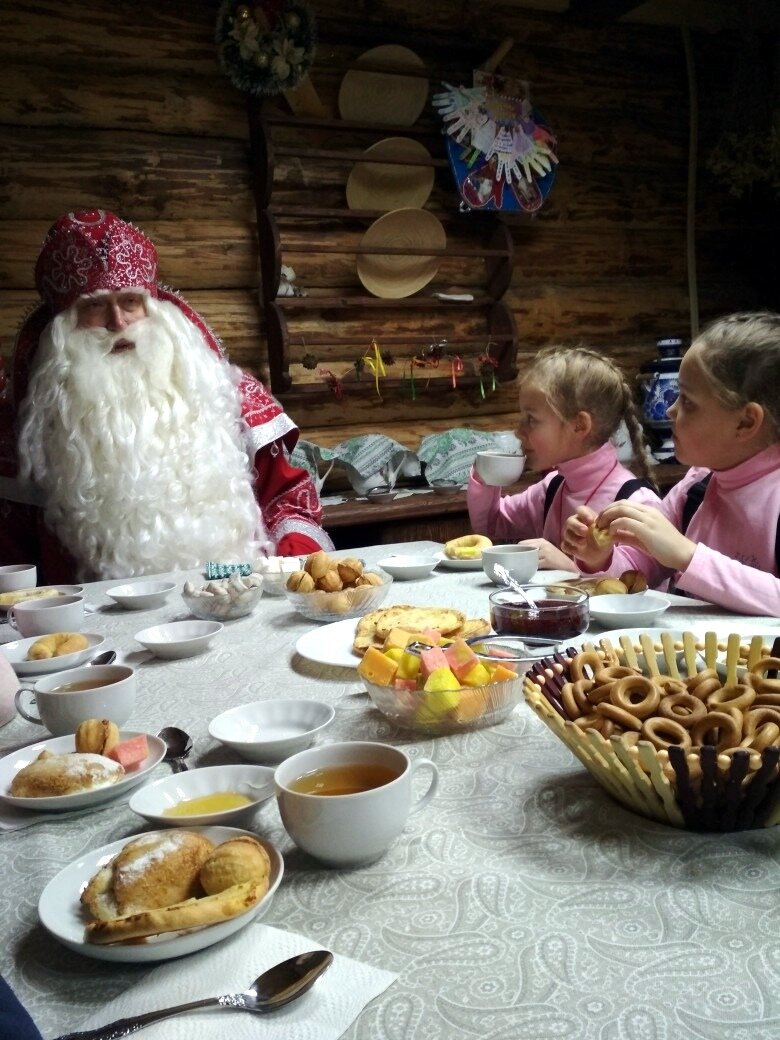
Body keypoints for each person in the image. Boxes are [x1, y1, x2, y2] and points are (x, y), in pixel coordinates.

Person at [0, 209, 333, 581]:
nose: (118, 322)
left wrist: (289, 561)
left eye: (129, 301)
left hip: (238, 596)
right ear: (64, 325)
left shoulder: (227, 393)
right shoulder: (26, 426)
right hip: (99, 628)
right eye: (94, 305)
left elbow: (287, 496)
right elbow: (12, 553)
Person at [562, 311, 780, 616]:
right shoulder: (696, 488)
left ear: (745, 421)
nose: (671, 411)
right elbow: (639, 571)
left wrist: (688, 557)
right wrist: (601, 556)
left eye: (688, 402)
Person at [468, 346, 661, 570]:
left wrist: (569, 569)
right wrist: (486, 475)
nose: (518, 431)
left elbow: (639, 590)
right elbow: (492, 525)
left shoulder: (637, 503)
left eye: (531, 419)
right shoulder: (553, 486)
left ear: (579, 425)